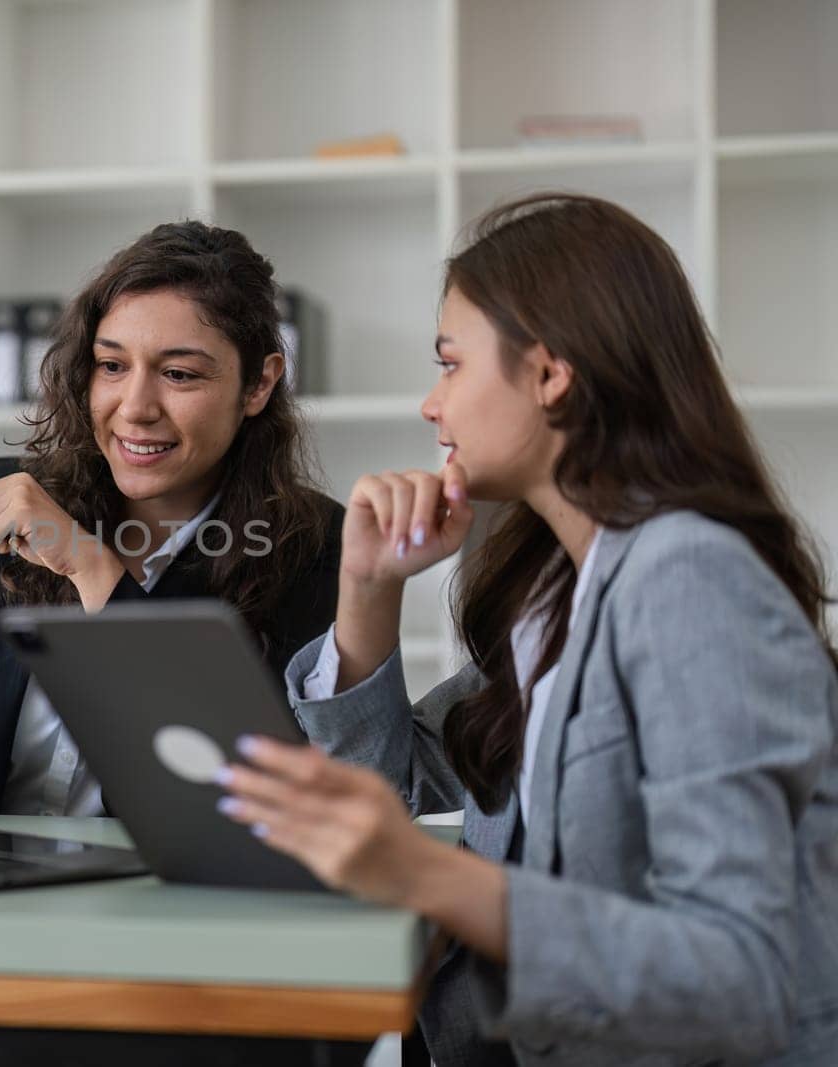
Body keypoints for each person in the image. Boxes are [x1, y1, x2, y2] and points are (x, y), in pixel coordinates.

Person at [217, 193, 838, 1065]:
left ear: (549, 375)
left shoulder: (689, 579)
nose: (433, 406)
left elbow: (740, 978)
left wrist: (432, 874)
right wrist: (366, 585)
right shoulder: (554, 593)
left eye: (450, 364)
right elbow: (394, 802)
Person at [0, 220, 344, 815]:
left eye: (179, 374)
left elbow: (232, 788)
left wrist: (91, 566)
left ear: (258, 383)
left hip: (168, 895)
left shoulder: (313, 545)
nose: (134, 408)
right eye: (111, 366)